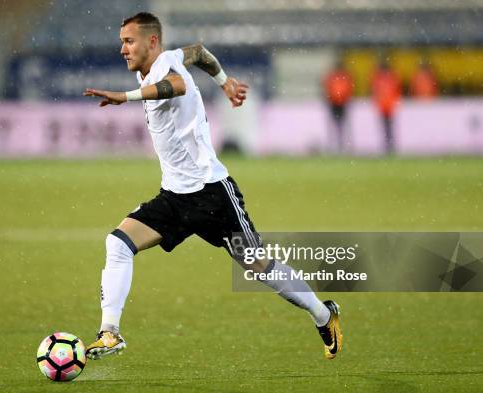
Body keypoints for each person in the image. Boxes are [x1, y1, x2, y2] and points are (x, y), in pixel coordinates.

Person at [83, 12, 342, 361]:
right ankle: (109, 333)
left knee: (258, 266)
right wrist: (224, 81)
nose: (122, 49)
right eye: (122, 42)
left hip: (212, 196)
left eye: (129, 41)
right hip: (174, 197)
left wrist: (125, 96)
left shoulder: (164, 71)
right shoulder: (172, 57)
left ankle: (323, 314)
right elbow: (200, 53)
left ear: (152, 42)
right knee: (118, 243)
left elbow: (179, 85)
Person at [323, 59, 354, 153]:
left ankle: (342, 145)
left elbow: (348, 89)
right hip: (335, 102)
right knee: (337, 124)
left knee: (341, 125)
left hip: (341, 102)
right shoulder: (338, 76)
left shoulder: (341, 76)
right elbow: (327, 87)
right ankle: (336, 145)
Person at [371, 59, 401, 154]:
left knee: (387, 127)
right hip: (387, 106)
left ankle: (389, 146)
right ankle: (389, 146)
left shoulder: (379, 78)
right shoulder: (392, 78)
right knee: (388, 127)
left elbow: (375, 92)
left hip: (385, 106)